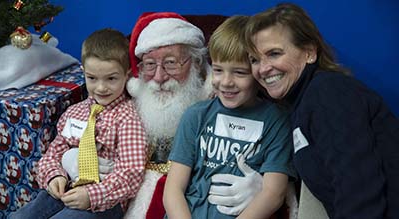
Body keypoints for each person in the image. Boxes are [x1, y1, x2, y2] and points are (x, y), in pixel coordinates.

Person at [123, 12, 296, 219]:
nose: (226, 82)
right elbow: (173, 189)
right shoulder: (196, 115)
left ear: (257, 71)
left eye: (240, 72)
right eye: (218, 70)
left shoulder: (276, 120)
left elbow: (273, 194)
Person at [239, 3, 399, 219]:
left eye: (274, 53)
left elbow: (358, 189)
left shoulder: (327, 92)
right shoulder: (301, 101)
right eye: (254, 60)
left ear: (310, 53)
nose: (263, 68)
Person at [9, 28, 148, 219]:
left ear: (127, 75)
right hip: (67, 186)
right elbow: (54, 152)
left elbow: (131, 173)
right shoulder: (75, 112)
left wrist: (91, 195)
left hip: (105, 200)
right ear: (83, 72)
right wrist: (54, 175)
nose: (101, 87)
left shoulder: (128, 118)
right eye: (92, 78)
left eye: (111, 78)